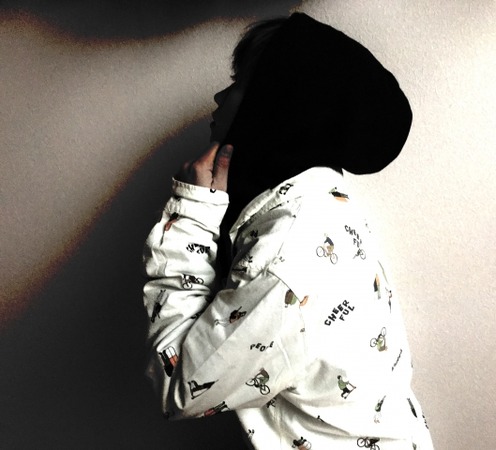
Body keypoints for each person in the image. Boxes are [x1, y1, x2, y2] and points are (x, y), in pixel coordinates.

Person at [142, 12, 433, 449]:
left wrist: (190, 215)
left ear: (276, 106)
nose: (219, 97)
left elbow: (178, 386)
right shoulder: (320, 205)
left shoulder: (287, 253)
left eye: (239, 84)